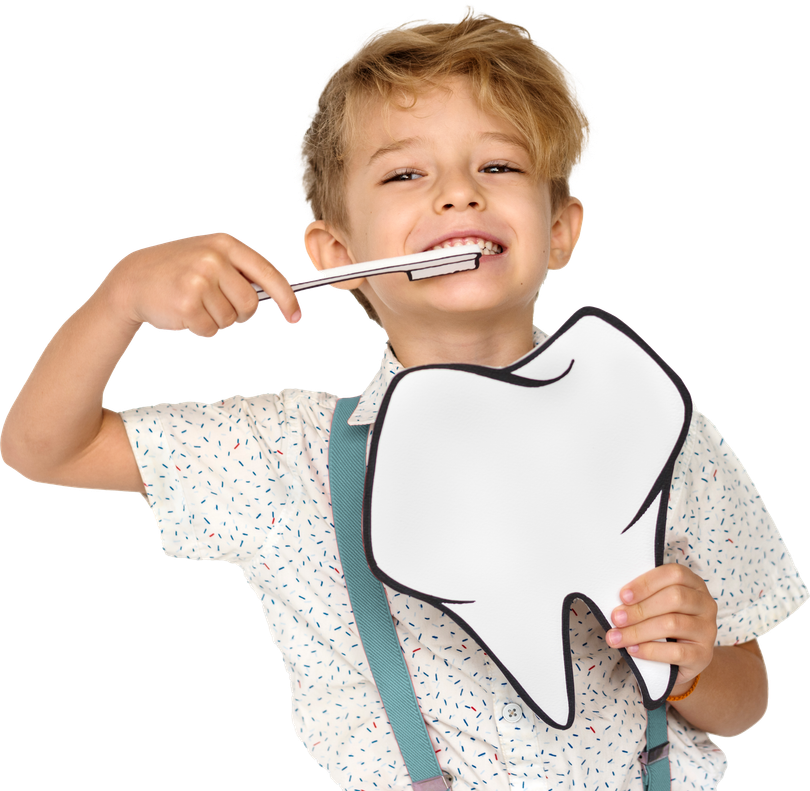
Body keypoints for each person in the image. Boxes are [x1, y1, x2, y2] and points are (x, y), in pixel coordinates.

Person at [1, 6, 806, 789]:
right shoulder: (288, 456)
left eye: (498, 166)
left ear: (560, 226)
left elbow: (747, 701)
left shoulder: (655, 425)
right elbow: (46, 447)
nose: (458, 194)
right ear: (337, 250)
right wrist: (119, 298)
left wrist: (695, 664)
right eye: (405, 173)